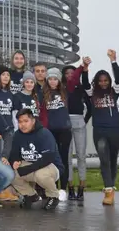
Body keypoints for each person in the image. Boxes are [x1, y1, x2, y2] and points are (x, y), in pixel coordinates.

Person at [82, 49, 119, 206]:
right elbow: (85, 83)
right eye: (100, 81)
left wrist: (113, 61)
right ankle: (108, 190)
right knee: (104, 160)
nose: (103, 83)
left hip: (115, 131)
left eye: (105, 80)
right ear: (97, 81)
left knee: (113, 160)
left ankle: (111, 187)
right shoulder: (92, 94)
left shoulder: (114, 93)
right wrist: (85, 68)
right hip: (99, 131)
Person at [9, 109, 65, 210]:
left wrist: (27, 169)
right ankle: (30, 195)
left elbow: (48, 158)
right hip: (31, 165)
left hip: (50, 166)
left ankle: (53, 196)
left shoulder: (44, 133)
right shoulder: (17, 135)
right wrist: (14, 161)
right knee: (10, 174)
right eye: (20, 122)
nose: (23, 125)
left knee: (41, 175)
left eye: (26, 121)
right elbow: (14, 154)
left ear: (33, 121)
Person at [40, 67, 72, 202]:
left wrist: (83, 66)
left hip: (64, 130)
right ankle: (52, 188)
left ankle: (63, 189)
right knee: (51, 160)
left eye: (55, 79)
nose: (53, 82)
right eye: (50, 79)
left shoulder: (65, 91)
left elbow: (74, 79)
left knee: (63, 160)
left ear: (59, 80)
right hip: (49, 131)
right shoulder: (43, 93)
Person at [62, 58, 92, 201]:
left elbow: (90, 107)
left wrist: (84, 121)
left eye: (72, 73)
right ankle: (70, 188)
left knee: (81, 156)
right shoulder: (62, 89)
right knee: (67, 157)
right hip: (65, 123)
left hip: (79, 121)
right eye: (67, 73)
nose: (69, 75)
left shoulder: (81, 89)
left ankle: (81, 187)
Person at [0, 65, 19, 202]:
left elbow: (13, 114)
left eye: (8, 75)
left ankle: (6, 189)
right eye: (3, 74)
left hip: (9, 131)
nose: (6, 77)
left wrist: (15, 130)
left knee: (7, 159)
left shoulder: (10, 94)